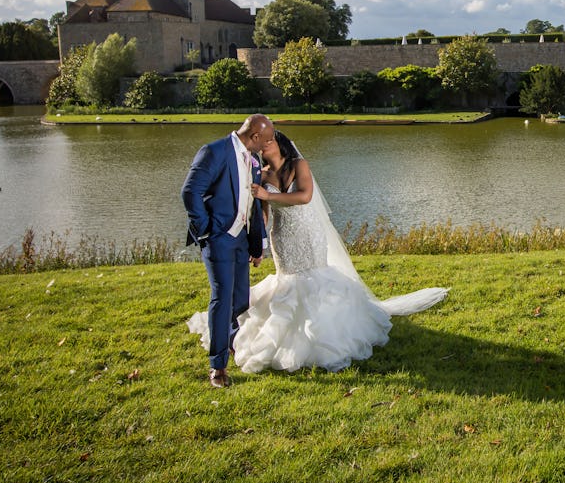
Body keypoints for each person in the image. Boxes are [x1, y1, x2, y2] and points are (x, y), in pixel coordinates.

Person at [188, 130, 448, 374]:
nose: (265, 146)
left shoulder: (299, 165)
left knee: (316, 276)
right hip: (283, 235)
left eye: (270, 141)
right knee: (288, 280)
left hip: (308, 230)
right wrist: (258, 244)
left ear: (280, 144)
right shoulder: (262, 175)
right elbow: (262, 215)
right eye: (262, 142)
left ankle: (323, 331)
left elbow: (304, 196)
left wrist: (268, 197)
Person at [181, 114, 275, 388]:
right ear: (254, 136)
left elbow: (253, 205)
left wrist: (257, 245)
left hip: (242, 240)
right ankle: (218, 366)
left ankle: (229, 336)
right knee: (222, 298)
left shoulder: (255, 160)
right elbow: (190, 192)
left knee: (240, 299)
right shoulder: (214, 151)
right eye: (266, 140)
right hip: (219, 238)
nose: (269, 145)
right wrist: (207, 229)